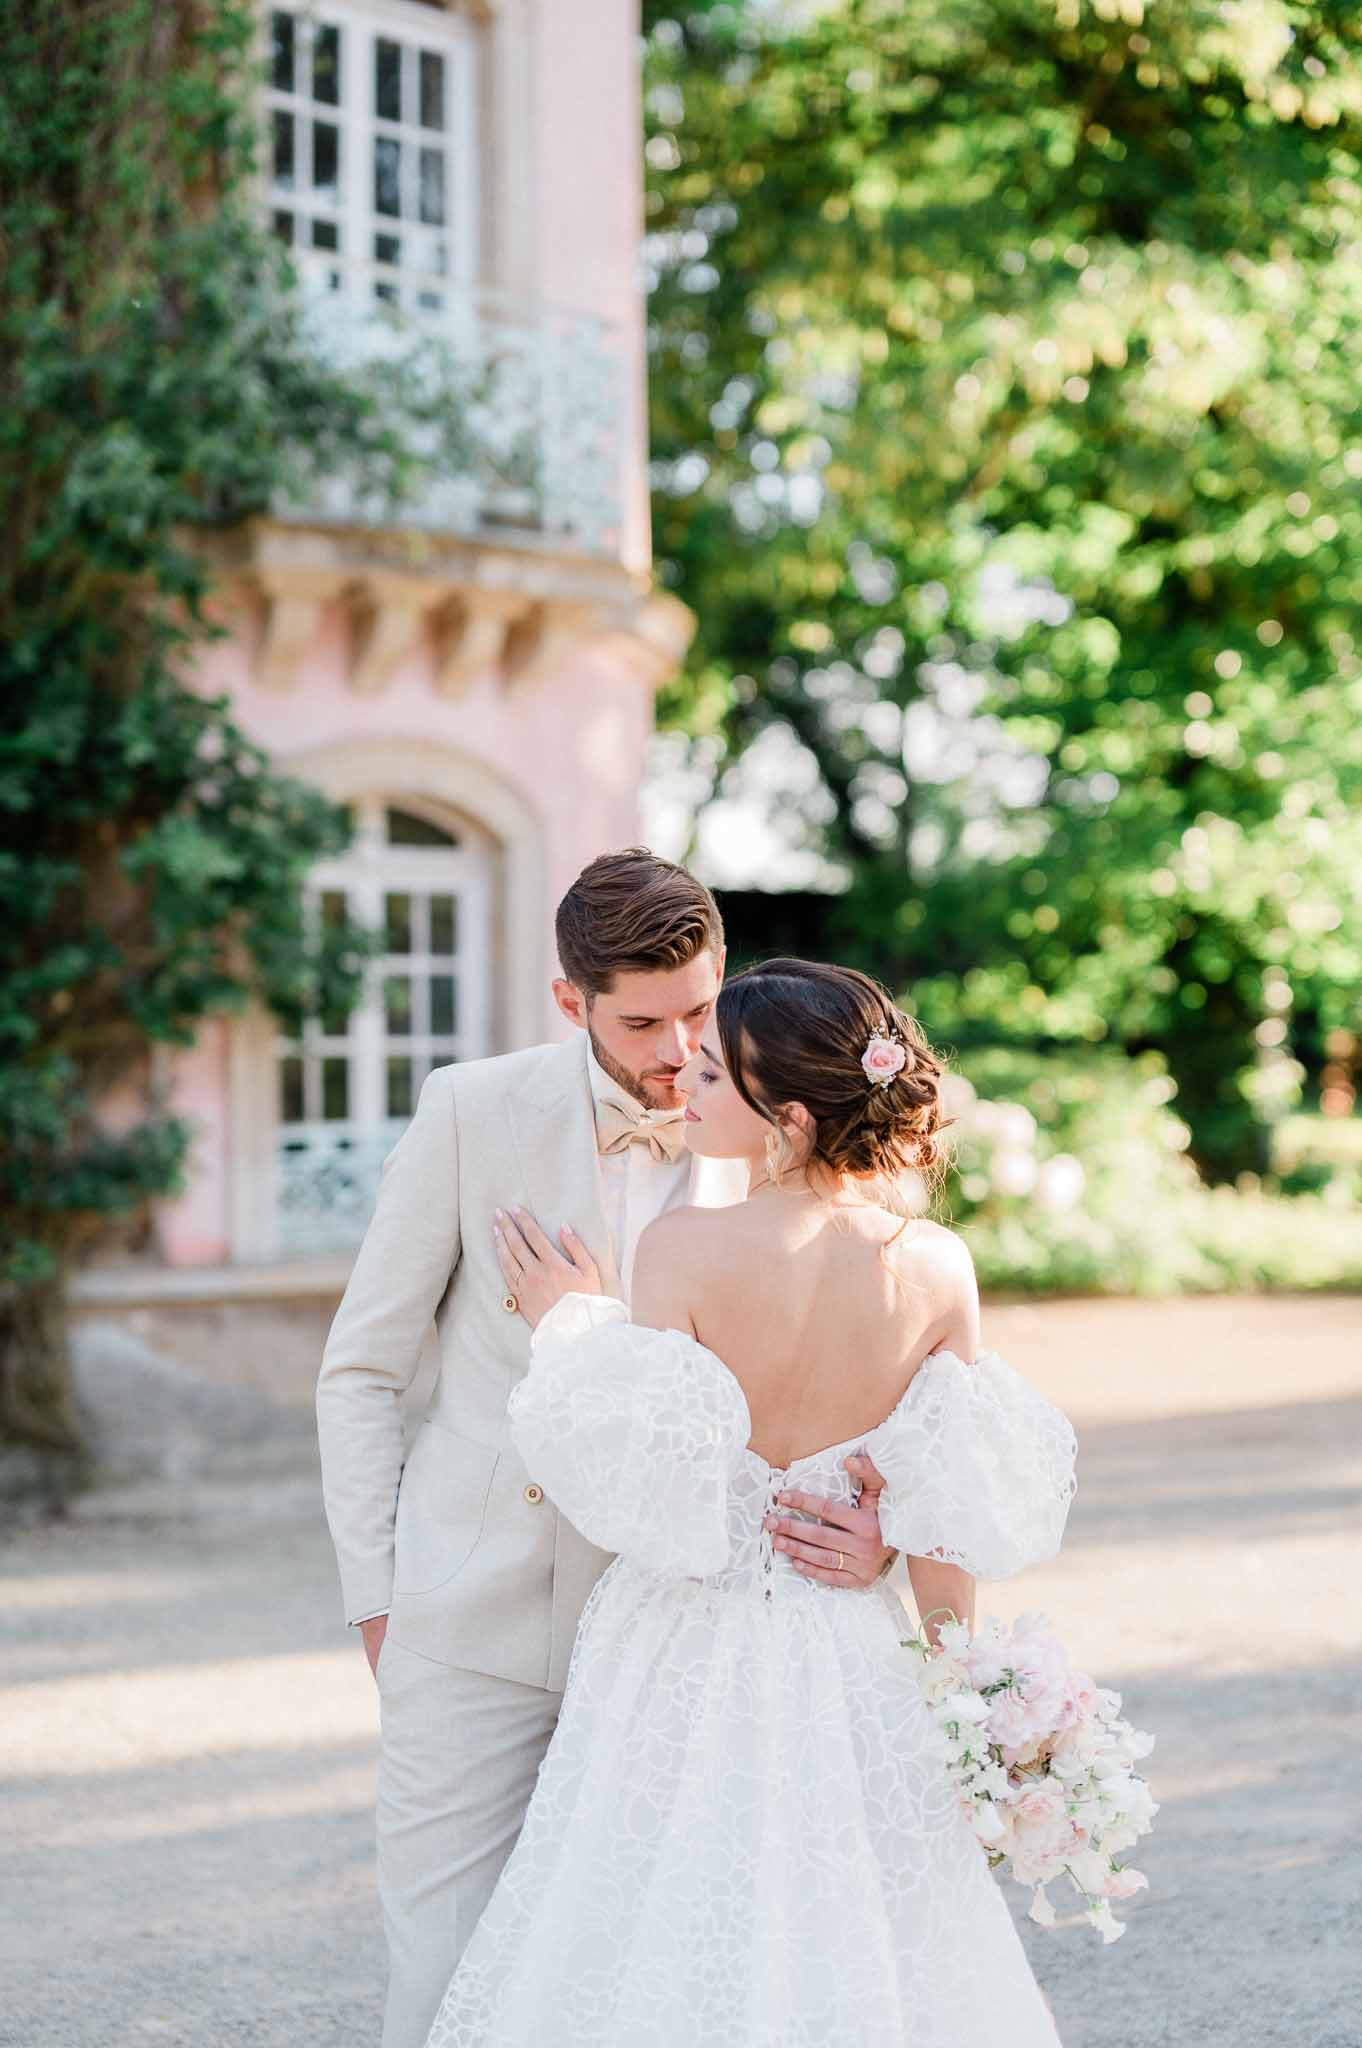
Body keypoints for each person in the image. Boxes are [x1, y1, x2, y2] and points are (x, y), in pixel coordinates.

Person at [423, 958, 1078, 2048]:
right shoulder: (938, 1267)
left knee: (662, 1912)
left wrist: (569, 1325)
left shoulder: (682, 1247)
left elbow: (657, 1489)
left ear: (788, 1118)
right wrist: (964, 1699)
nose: (686, 1082)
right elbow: (946, 1507)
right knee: (853, 1916)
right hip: (852, 1650)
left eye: (717, 1075)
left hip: (683, 1645)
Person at [315, 861, 895, 2048]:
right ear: (571, 1002)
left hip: (688, 1635)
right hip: (468, 1617)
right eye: (643, 1021)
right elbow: (361, 1370)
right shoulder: (471, 1110)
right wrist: (380, 1598)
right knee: (448, 1966)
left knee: (649, 1982)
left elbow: (871, 1373)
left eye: (699, 1008)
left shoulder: (780, 1130)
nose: (684, 1050)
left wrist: (883, 1529)